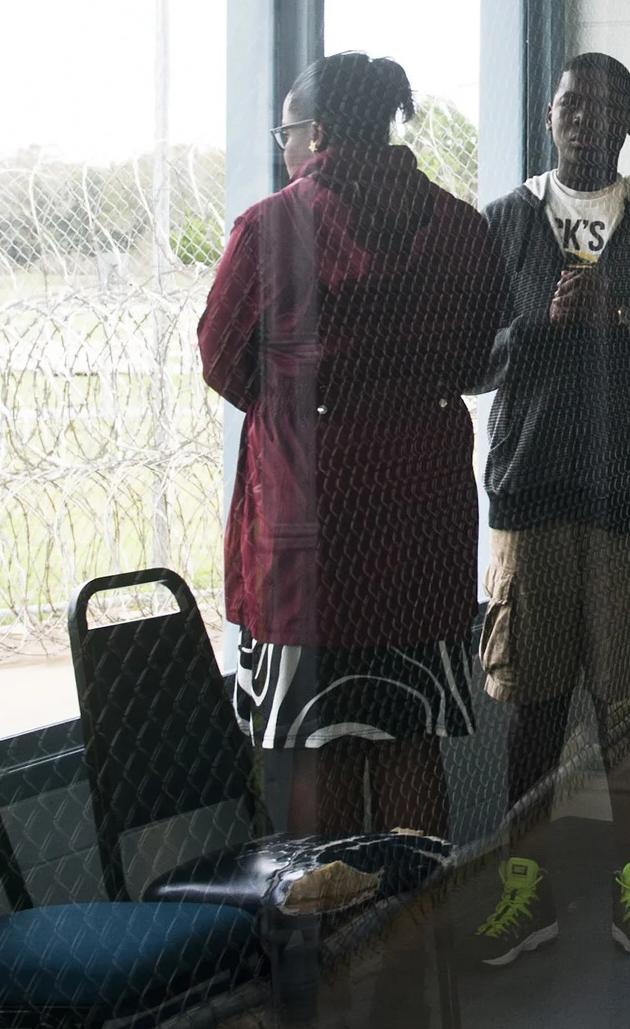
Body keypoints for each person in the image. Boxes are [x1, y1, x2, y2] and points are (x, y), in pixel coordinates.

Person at [199, 52, 505, 837]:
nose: (284, 148)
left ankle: (331, 950)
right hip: (422, 519)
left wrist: (308, 410)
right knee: (411, 738)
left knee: (317, 746)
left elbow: (222, 357)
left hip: (310, 528)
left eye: (288, 132)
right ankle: (418, 937)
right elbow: (477, 362)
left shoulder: (273, 227)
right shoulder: (462, 228)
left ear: (321, 132)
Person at [471, 51, 630, 975]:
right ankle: (523, 881)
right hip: (530, 494)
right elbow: (467, 359)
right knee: (531, 699)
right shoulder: (503, 224)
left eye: (603, 107)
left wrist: (621, 315)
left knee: (627, 705)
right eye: (569, 104)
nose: (583, 120)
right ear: (548, 117)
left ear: (629, 124)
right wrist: (540, 325)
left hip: (628, 500)